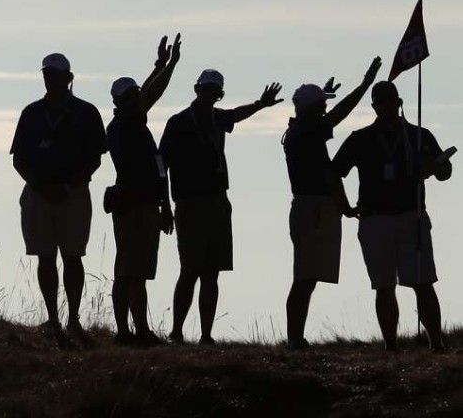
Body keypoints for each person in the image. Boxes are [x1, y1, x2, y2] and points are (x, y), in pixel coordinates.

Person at [159, 69, 282, 345]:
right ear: (197, 89)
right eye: (207, 90)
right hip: (188, 203)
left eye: (215, 91)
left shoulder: (217, 118)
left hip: (217, 201)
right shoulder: (178, 122)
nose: (210, 95)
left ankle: (205, 335)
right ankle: (177, 332)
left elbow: (236, 114)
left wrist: (261, 104)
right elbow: (161, 165)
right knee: (189, 270)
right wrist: (164, 205)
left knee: (211, 273)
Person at [331, 80, 453, 351]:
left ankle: (437, 344)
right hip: (375, 218)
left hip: (413, 216)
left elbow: (446, 172)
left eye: (391, 103)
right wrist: (346, 207)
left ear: (399, 104)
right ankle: (392, 347)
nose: (387, 108)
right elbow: (333, 173)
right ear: (374, 107)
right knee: (384, 286)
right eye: (381, 104)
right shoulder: (360, 138)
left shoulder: (419, 135)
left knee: (423, 282)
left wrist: (434, 168)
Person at [282, 57, 381, 349]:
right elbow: (339, 114)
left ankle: (295, 338)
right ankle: (294, 339)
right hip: (312, 208)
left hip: (313, 207)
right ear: (312, 110)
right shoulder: (306, 133)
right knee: (304, 278)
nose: (325, 109)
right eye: (320, 106)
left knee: (307, 277)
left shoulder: (301, 130)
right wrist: (364, 85)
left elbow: (328, 117)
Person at [10, 53, 106, 337]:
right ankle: (53, 318)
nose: (49, 78)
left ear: (68, 77)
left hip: (73, 194)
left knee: (73, 256)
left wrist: (67, 186)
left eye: (55, 73)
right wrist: (42, 186)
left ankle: (73, 319)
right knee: (45, 256)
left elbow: (95, 158)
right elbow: (18, 159)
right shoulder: (32, 113)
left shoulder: (86, 113)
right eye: (46, 73)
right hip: (39, 195)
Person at [105, 34, 181, 346]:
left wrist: (161, 65)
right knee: (130, 271)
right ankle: (132, 332)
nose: (136, 100)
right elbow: (151, 94)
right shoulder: (124, 127)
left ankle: (135, 331)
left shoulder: (133, 122)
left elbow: (147, 93)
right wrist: (168, 66)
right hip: (134, 205)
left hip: (147, 204)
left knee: (135, 270)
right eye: (130, 97)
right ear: (118, 104)